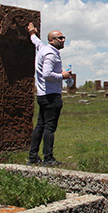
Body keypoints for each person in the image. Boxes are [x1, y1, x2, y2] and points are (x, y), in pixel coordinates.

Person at [26, 22, 71, 166]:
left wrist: (32, 33)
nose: (63, 40)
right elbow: (47, 74)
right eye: (60, 38)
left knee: (40, 125)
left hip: (42, 94)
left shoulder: (43, 49)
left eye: (64, 37)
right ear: (51, 40)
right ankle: (48, 158)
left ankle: (33, 157)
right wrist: (62, 76)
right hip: (51, 95)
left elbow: (36, 42)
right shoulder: (51, 54)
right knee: (49, 127)